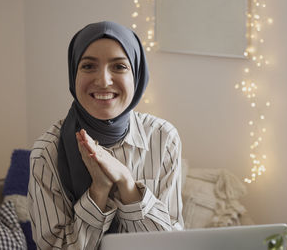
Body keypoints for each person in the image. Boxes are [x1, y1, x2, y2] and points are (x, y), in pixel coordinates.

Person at [27, 21, 184, 249]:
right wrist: (98, 191)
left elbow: (172, 244)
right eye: (88, 66)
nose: (103, 81)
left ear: (137, 75)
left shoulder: (162, 138)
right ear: (74, 73)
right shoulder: (47, 152)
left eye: (119, 67)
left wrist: (127, 185)